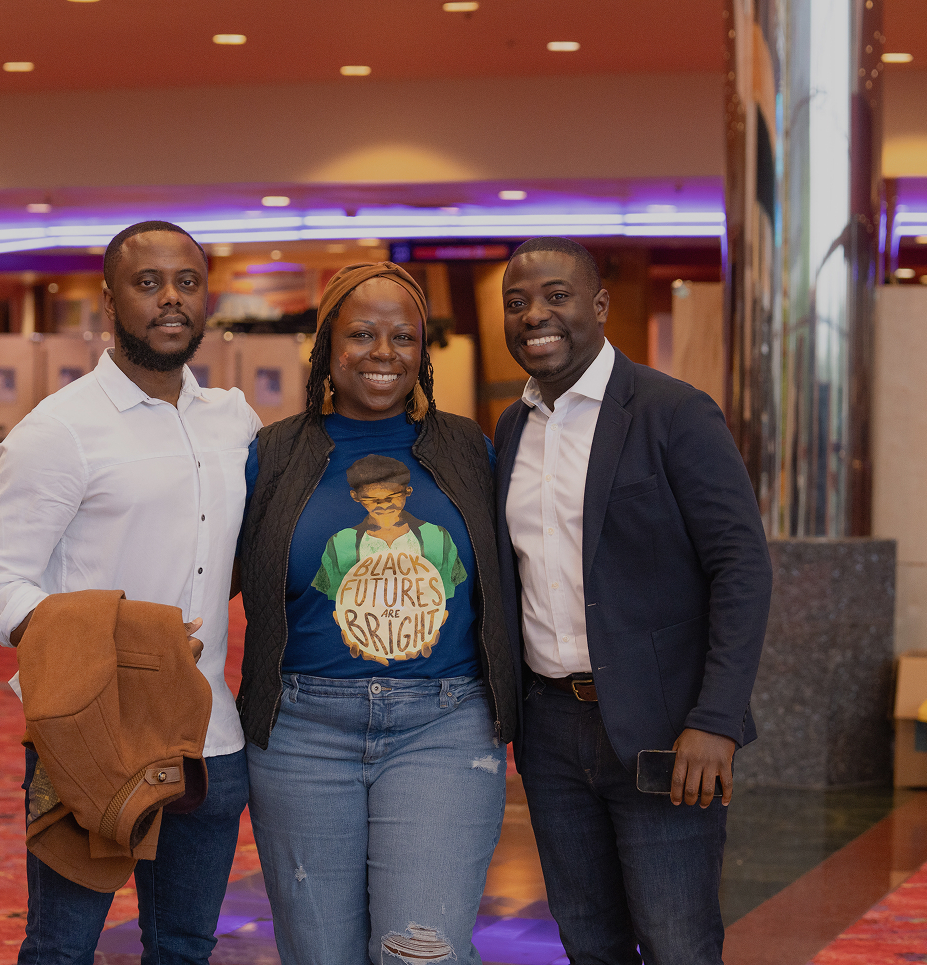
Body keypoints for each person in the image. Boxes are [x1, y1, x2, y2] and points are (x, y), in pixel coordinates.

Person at [0, 221, 260, 965]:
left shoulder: (235, 422)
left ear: (206, 300)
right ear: (109, 303)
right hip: (89, 736)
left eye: (187, 283)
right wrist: (120, 640)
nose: (170, 299)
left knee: (185, 947)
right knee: (62, 949)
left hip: (210, 739)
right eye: (148, 282)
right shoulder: (61, 430)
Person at [493, 237, 773, 965]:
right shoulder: (512, 428)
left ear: (599, 305)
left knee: (679, 944)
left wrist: (715, 721)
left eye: (556, 296)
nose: (535, 315)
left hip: (665, 730)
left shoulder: (672, 412)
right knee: (588, 940)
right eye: (516, 302)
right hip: (551, 732)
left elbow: (741, 566)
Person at [236, 263, 517, 965]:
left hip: (445, 726)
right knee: (319, 953)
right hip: (301, 730)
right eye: (362, 333)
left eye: (404, 336)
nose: (383, 352)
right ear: (328, 345)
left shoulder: (468, 448)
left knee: (420, 951)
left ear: (424, 351)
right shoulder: (273, 455)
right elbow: (211, 573)